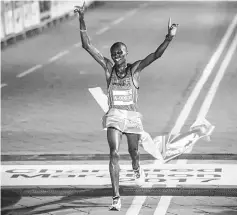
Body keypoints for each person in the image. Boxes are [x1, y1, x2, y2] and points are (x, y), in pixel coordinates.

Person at [74, 2, 179, 211]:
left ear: (126, 53)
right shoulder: (107, 68)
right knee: (113, 152)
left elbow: (156, 55)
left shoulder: (136, 69)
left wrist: (169, 37)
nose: (116, 57)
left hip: (131, 116)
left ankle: (136, 166)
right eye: (113, 54)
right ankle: (116, 197)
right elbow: (87, 46)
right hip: (114, 115)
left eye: (119, 53)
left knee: (133, 151)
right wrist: (82, 19)